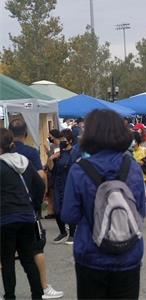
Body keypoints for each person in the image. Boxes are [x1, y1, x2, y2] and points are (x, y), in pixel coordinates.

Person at [61, 109, 145, 299]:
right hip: (129, 254)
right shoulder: (132, 167)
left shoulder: (79, 170)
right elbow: (141, 210)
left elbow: (69, 215)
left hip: (91, 255)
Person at [8, 118, 64, 299]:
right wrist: (40, 202)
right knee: (36, 249)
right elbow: (41, 178)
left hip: (5, 211)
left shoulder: (3, 155)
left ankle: (8, 293)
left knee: (4, 254)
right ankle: (43, 287)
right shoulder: (31, 152)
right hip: (28, 208)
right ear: (25, 134)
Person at [0, 128, 45, 300]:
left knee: (7, 260)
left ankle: (10, 296)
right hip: (26, 215)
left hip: (5, 218)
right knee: (28, 258)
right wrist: (34, 205)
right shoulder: (25, 161)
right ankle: (37, 294)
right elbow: (39, 186)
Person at [47, 129, 76, 245]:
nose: (63, 142)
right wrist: (50, 158)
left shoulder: (74, 153)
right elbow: (51, 168)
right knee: (57, 210)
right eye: (61, 139)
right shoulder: (59, 153)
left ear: (70, 140)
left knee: (69, 209)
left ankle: (73, 234)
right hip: (58, 183)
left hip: (69, 183)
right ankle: (63, 232)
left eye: (65, 140)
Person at [131, 131, 146, 199]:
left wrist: (143, 162)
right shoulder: (127, 151)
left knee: (144, 197)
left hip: (144, 177)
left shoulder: (144, 150)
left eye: (133, 140)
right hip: (132, 178)